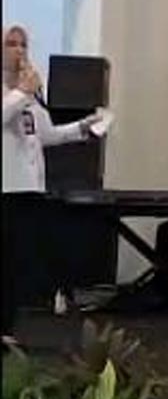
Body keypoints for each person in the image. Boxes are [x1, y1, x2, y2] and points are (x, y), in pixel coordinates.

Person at [2, 25, 104, 346]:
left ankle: (7, 327)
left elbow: (45, 134)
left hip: (28, 187)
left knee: (16, 261)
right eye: (11, 44)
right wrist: (21, 93)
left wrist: (81, 128)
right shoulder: (19, 93)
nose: (19, 51)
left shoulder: (29, 93)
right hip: (4, 187)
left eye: (23, 44)